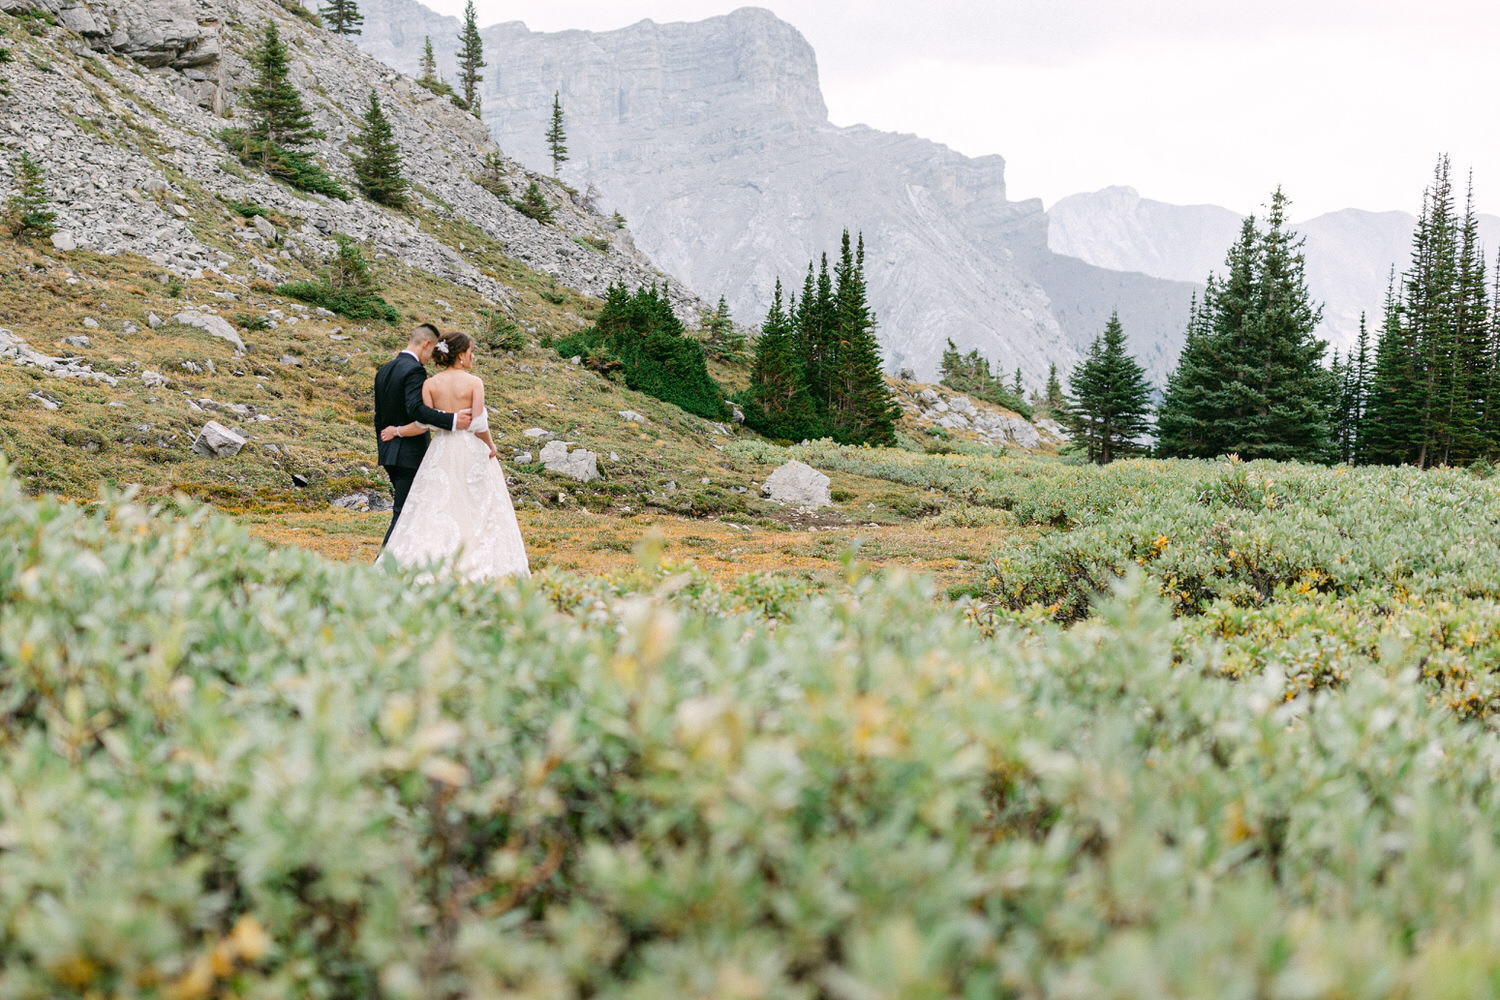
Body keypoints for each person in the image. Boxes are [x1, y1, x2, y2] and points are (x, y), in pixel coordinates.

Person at [377, 331, 531, 582]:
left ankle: (429, 562)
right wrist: (491, 446)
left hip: (441, 451)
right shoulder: (474, 383)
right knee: (475, 507)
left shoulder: (430, 384)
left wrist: (397, 431)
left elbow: (423, 423)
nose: (473, 356)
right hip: (470, 450)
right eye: (471, 351)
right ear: (460, 355)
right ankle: (473, 562)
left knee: (438, 505)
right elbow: (478, 424)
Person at [374, 324, 473, 548]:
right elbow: (416, 410)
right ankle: (384, 563)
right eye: (432, 351)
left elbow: (379, 416)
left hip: (390, 453)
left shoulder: (386, 369)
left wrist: (385, 443)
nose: (432, 358)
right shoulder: (414, 370)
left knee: (407, 512)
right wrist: (453, 420)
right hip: (409, 453)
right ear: (426, 344)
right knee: (404, 514)